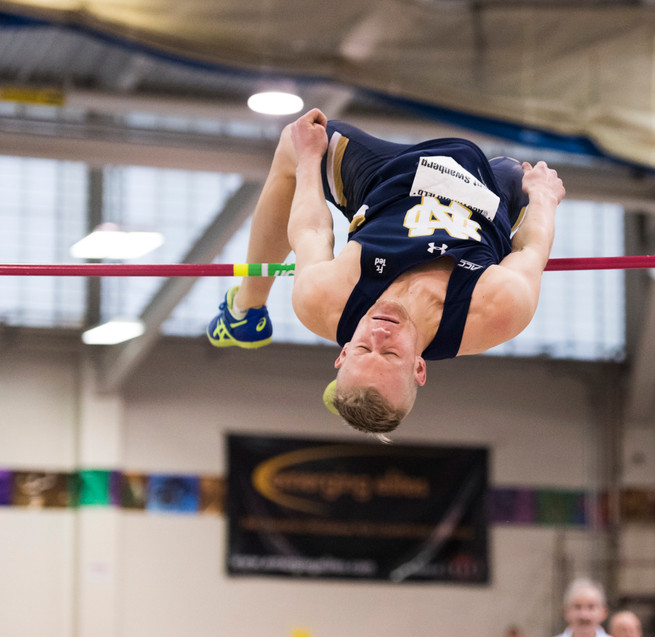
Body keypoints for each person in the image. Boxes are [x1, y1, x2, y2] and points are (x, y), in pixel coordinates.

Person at [207, 108, 566, 434]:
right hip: (486, 193)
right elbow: (530, 249)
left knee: (293, 140)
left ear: (343, 352)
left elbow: (312, 230)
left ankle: (246, 311)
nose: (379, 335)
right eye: (391, 354)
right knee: (519, 173)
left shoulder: (325, 300)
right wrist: (544, 200)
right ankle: (511, 178)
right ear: (418, 368)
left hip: (388, 179)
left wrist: (307, 158)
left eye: (364, 348)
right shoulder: (492, 311)